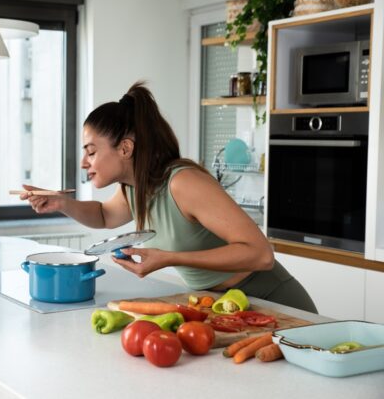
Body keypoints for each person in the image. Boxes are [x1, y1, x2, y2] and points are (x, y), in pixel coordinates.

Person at [20, 81, 317, 314]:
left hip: (275, 301)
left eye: (92, 151)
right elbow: (104, 216)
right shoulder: (135, 187)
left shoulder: (183, 183)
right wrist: (62, 203)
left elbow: (261, 255)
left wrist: (168, 258)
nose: (85, 163)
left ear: (125, 148)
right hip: (225, 304)